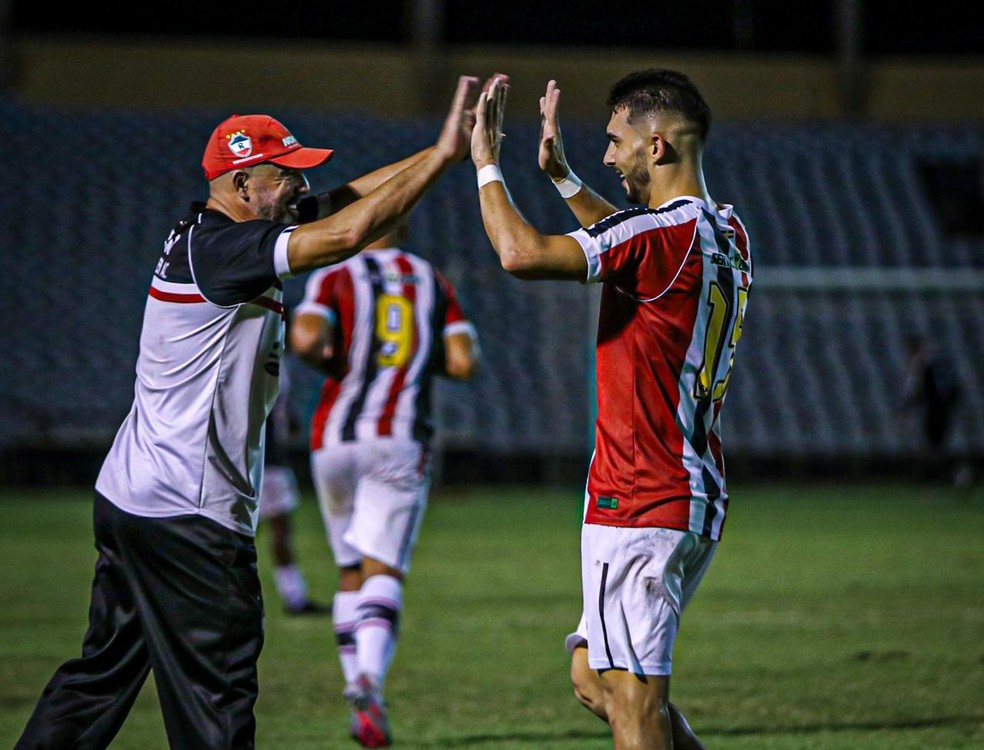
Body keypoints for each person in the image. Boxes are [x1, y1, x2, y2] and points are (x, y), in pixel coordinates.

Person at [15, 75, 483, 750]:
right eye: (283, 175)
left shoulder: (219, 232)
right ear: (240, 186)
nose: (298, 187)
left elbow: (347, 198)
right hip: (188, 513)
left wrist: (445, 147)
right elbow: (348, 231)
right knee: (220, 699)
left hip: (133, 498)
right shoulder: (227, 251)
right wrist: (441, 161)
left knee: (101, 677)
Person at [471, 70, 752, 750]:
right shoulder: (722, 229)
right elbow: (633, 245)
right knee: (594, 680)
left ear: (655, 148)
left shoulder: (659, 239)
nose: (606, 156)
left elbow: (520, 253)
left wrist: (485, 164)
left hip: (645, 494)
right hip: (671, 486)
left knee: (631, 702)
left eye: (614, 141)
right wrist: (565, 182)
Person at [290, 219, 479, 748]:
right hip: (397, 438)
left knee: (350, 570)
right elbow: (464, 361)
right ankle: (371, 680)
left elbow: (305, 337)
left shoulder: (336, 274)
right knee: (383, 568)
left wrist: (333, 359)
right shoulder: (431, 279)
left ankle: (356, 688)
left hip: (333, 438)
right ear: (404, 224)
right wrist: (412, 363)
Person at [258, 335, 331, 616]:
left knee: (267, 530)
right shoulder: (263, 356)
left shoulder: (278, 360)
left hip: (269, 457)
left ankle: (294, 596)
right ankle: (293, 597)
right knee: (266, 530)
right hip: (265, 459)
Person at [901, 334, 962, 483]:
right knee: (936, 447)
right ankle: (954, 475)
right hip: (943, 409)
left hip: (933, 410)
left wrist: (905, 409)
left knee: (931, 448)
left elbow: (918, 390)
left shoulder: (922, 365)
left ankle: (943, 479)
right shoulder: (939, 362)